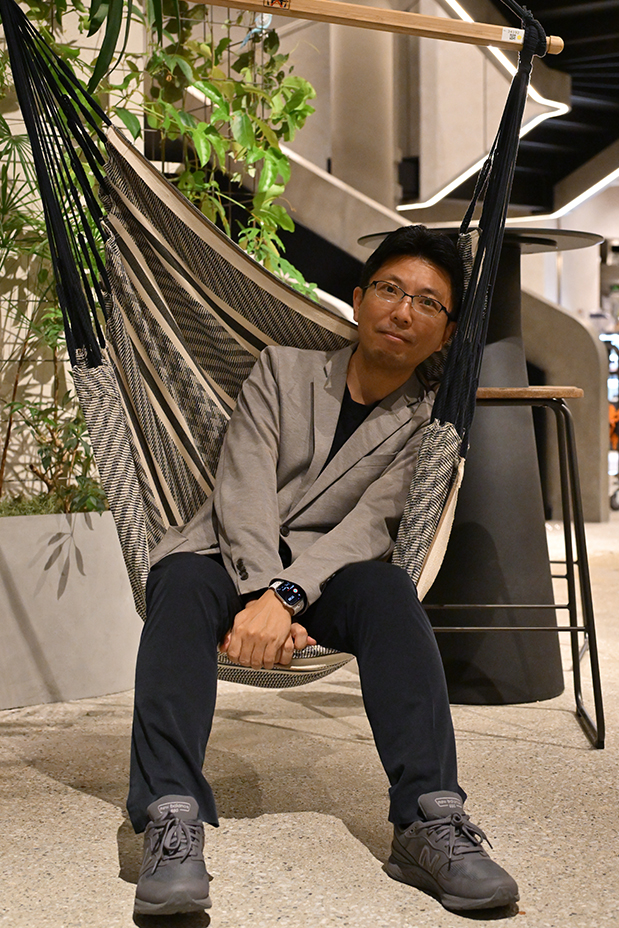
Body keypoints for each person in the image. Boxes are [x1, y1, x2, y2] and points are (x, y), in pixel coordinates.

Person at [127, 225, 519, 915]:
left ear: (447, 333)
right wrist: (259, 592)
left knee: (390, 590)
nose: (403, 312)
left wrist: (287, 595)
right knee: (179, 582)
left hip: (326, 575)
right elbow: (242, 484)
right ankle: (169, 815)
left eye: (427, 303)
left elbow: (369, 526)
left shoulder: (428, 428)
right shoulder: (281, 369)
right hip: (226, 556)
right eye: (391, 290)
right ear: (359, 298)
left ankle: (428, 817)